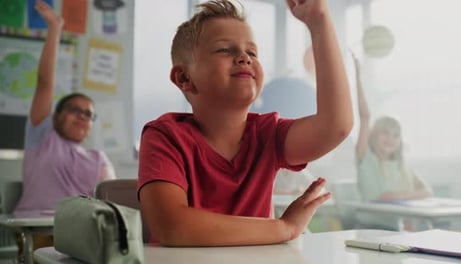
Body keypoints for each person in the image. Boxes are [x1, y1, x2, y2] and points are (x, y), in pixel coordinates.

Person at [138, 0, 353, 246]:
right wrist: (284, 228)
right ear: (184, 77)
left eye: (252, 52)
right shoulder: (164, 136)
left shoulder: (267, 134)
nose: (244, 57)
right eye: (224, 50)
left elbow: (336, 125)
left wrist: (319, 22)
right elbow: (173, 227)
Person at [14, 0, 116, 213]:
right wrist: (54, 29)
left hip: (79, 233)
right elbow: (45, 83)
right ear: (56, 115)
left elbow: (110, 201)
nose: (81, 116)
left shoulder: (98, 158)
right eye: (74, 110)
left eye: (88, 114)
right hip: (36, 230)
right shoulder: (42, 135)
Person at [352, 52, 432, 203]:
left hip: (395, 226)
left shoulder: (401, 166)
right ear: (374, 135)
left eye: (396, 135)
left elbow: (427, 191)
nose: (391, 139)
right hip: (370, 225)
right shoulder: (366, 158)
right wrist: (358, 76)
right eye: (385, 133)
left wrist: (394, 196)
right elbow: (365, 116)